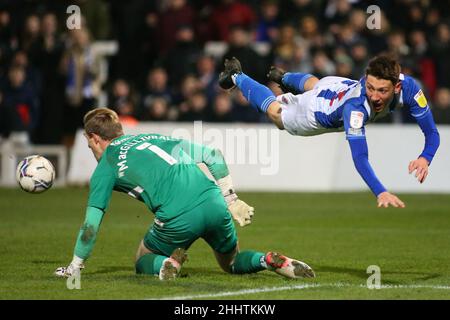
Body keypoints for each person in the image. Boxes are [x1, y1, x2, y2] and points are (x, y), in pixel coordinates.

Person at [55, 108, 315, 280]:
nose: (90, 147)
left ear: (94, 137)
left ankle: (166, 265)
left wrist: (75, 266)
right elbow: (213, 155)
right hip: (214, 201)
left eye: (89, 142)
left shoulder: (106, 167)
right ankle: (267, 260)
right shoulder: (153, 138)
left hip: (178, 217)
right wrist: (231, 199)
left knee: (142, 259)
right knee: (232, 263)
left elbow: (91, 224)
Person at [218, 55, 440, 208]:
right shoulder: (356, 110)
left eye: (382, 91)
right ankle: (237, 75)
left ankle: (285, 78)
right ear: (366, 80)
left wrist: (425, 157)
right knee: (276, 114)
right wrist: (380, 191)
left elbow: (432, 133)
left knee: (318, 83)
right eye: (370, 88)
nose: (374, 96)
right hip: (316, 112)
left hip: (337, 85)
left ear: (397, 87)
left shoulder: (410, 89)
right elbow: (360, 157)